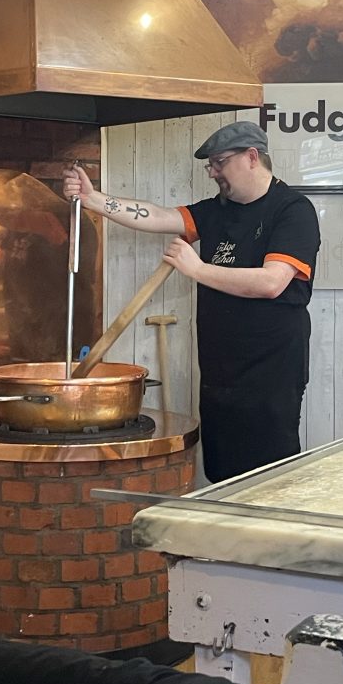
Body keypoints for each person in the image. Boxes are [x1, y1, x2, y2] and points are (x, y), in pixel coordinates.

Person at [62, 120, 320, 482]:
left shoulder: (292, 210)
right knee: (221, 466)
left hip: (271, 369)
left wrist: (197, 269)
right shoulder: (216, 210)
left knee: (268, 473)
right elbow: (158, 216)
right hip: (219, 367)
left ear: (251, 157)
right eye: (210, 165)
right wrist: (94, 200)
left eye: (219, 163)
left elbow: (271, 282)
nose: (213, 173)